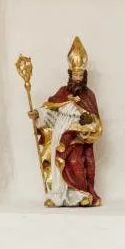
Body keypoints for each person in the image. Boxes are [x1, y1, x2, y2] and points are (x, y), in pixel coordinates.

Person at [29, 37, 103, 206]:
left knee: (76, 162)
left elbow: (95, 121)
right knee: (58, 164)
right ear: (70, 74)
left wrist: (85, 125)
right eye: (75, 74)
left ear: (84, 75)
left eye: (80, 74)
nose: (77, 77)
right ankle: (58, 195)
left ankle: (80, 194)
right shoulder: (62, 92)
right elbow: (51, 112)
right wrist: (38, 114)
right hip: (59, 132)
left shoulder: (88, 96)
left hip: (75, 137)